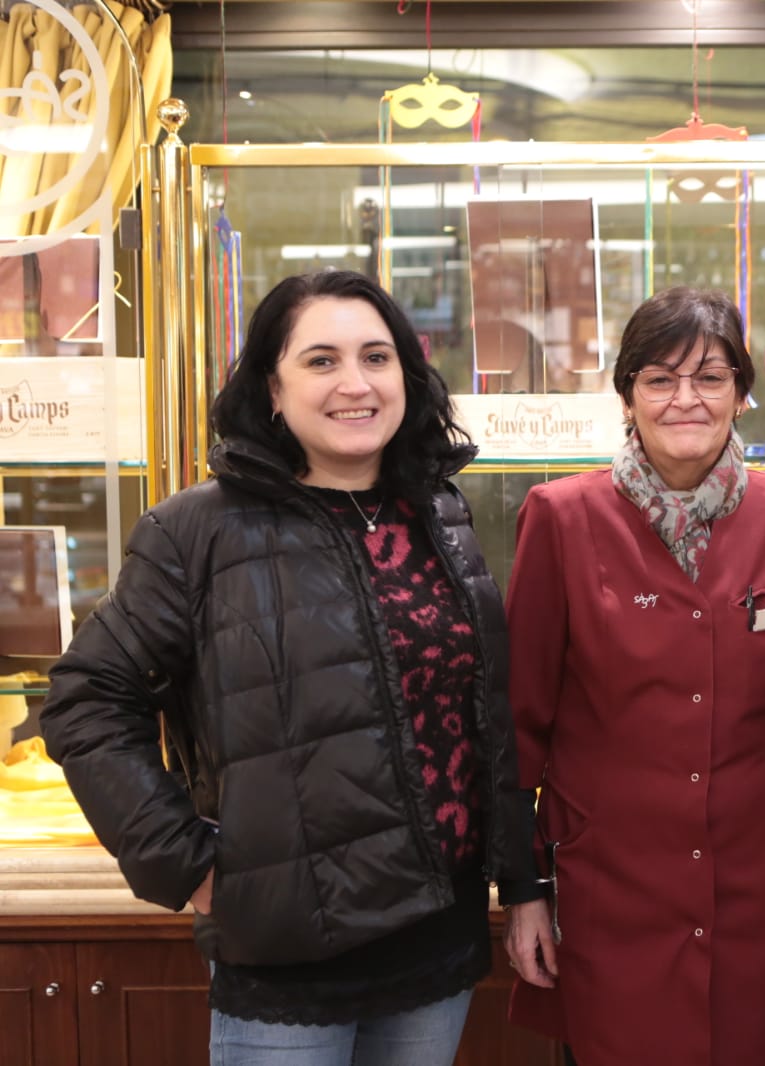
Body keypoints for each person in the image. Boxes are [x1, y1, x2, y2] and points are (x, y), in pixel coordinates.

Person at [40, 269, 538, 1066]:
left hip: (435, 938)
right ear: (271, 389)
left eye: (377, 357)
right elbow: (86, 701)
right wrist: (185, 862)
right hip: (285, 951)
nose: (355, 383)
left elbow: (484, 712)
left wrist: (519, 879)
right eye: (321, 360)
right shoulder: (197, 529)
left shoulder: (437, 513)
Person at [502, 285, 765, 1066]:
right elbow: (515, 724)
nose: (685, 399)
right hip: (605, 890)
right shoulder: (560, 519)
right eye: (659, 379)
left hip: (759, 891)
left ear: (743, 394)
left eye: (710, 377)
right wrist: (522, 891)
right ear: (626, 396)